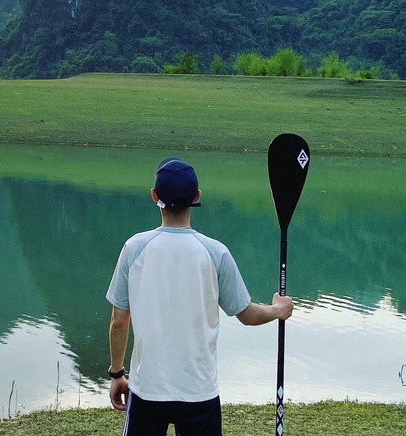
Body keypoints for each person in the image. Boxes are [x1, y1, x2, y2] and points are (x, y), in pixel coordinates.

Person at [106, 156, 294, 436]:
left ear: (154, 196)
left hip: (147, 390)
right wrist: (278, 310)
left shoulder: (134, 249)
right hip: (199, 392)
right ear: (197, 197)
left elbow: (119, 320)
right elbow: (246, 314)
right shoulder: (215, 253)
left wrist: (117, 373)